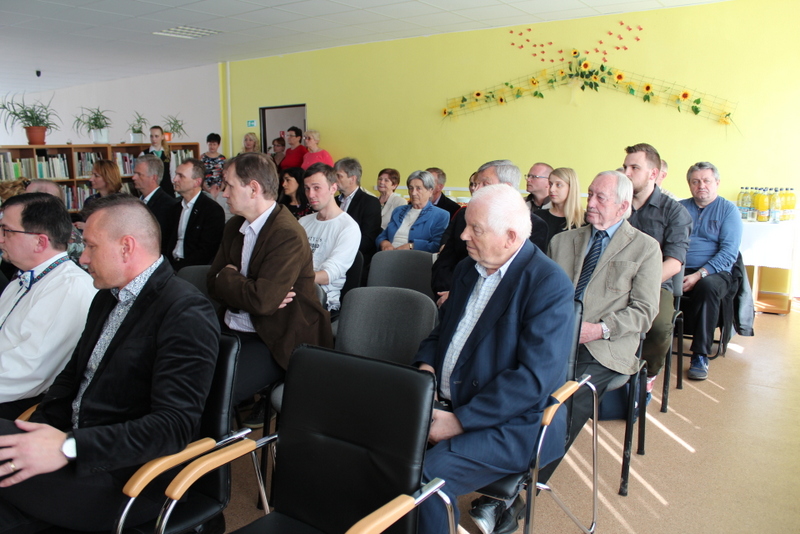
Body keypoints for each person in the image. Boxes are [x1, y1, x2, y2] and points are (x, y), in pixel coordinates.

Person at [0, 194, 220, 532]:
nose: (82, 257)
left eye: (90, 246)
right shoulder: (107, 296)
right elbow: (71, 378)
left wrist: (68, 446)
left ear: (126, 247)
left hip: (126, 478)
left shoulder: (185, 311)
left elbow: (173, 427)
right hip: (75, 449)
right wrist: (39, 434)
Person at [414, 184, 575, 534]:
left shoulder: (548, 284)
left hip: (515, 422)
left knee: (427, 479)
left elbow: (532, 381)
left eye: (476, 229)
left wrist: (460, 421)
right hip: (447, 401)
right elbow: (441, 334)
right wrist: (426, 373)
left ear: (510, 237)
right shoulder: (467, 269)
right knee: (377, 446)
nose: (463, 235)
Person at [207, 153, 332, 424]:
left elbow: (262, 302)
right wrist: (244, 288)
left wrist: (228, 278)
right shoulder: (234, 225)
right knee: (183, 375)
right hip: (230, 327)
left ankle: (212, 450)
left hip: (274, 337)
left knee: (215, 391)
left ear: (253, 189)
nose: (224, 193)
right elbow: (212, 283)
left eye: (229, 186)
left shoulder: (286, 233)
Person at [0, 193, 97, 420]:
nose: (1, 239)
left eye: (7, 231)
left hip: (19, 403)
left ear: (40, 242)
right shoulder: (24, 279)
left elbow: (27, 372)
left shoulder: (70, 288)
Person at [431, 160, 548, 307]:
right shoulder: (464, 216)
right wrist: (448, 293)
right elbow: (443, 265)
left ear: (506, 188)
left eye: (485, 184)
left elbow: (521, 279)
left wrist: (460, 294)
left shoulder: (533, 226)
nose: (476, 189)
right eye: (475, 184)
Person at [623, 143, 691, 391]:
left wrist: (639, 284)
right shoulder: (617, 203)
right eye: (625, 167)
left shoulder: (674, 212)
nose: (626, 173)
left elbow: (674, 263)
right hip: (614, 280)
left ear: (653, 173)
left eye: (634, 168)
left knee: (660, 325)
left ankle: (648, 373)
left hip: (655, 284)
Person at [679, 162, 742, 380]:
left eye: (706, 181)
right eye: (695, 181)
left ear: (717, 183)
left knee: (707, 287)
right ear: (689, 185)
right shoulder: (679, 208)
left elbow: (729, 253)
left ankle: (700, 355)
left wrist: (699, 275)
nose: (701, 186)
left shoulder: (729, 210)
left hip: (717, 271)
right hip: (680, 267)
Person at [298, 163, 359, 313]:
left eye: (316, 188)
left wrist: (291, 277)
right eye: (307, 188)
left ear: (333, 188)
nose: (310, 194)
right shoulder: (303, 222)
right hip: (296, 290)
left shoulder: (348, 227)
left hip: (322, 300)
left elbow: (327, 276)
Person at [163, 158, 225, 270]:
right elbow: (166, 242)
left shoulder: (212, 211)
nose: (175, 179)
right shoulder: (174, 208)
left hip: (192, 270)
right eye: (176, 174)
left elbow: (206, 251)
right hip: (170, 266)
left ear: (197, 182)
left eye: (181, 176)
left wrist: (178, 269)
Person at [376, 170, 449, 253]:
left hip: (416, 257)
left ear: (430, 191)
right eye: (411, 188)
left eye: (419, 188)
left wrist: (412, 246)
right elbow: (382, 235)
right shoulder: (398, 210)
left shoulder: (441, 215)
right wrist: (384, 243)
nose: (413, 193)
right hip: (389, 254)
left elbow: (437, 245)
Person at [334, 158, 382, 267]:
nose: (334, 179)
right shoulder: (334, 201)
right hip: (331, 254)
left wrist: (341, 252)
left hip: (355, 258)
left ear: (352, 179)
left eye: (339, 176)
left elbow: (368, 239)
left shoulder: (370, 202)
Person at [535, 167, 585, 248]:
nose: (552, 189)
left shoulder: (585, 220)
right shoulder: (538, 216)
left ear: (571, 188)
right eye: (550, 184)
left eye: (558, 185)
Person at [132, 154, 179, 235]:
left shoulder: (168, 206)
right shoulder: (136, 202)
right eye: (134, 173)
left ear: (154, 178)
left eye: (139, 174)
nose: (133, 177)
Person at [139, 125, 173, 196]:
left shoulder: (169, 154)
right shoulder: (144, 154)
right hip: (150, 189)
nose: (154, 139)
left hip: (167, 189)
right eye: (151, 136)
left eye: (156, 136)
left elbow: (172, 173)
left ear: (162, 137)